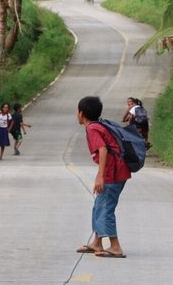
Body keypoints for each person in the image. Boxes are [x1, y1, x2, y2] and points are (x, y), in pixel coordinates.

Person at [75, 96, 131, 258]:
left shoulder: (92, 128)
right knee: (99, 205)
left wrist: (100, 176)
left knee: (105, 208)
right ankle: (97, 243)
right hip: (116, 170)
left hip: (113, 173)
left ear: (81, 113)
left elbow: (103, 149)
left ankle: (115, 247)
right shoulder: (98, 125)